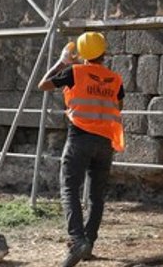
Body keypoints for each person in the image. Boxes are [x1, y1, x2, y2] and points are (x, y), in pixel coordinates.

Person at [38, 31, 125, 267]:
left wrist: (63, 61)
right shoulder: (115, 79)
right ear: (104, 53)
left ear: (81, 53)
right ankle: (88, 245)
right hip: (105, 142)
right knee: (97, 196)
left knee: (69, 188)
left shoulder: (74, 72)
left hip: (79, 139)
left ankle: (77, 240)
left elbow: (43, 84)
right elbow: (118, 106)